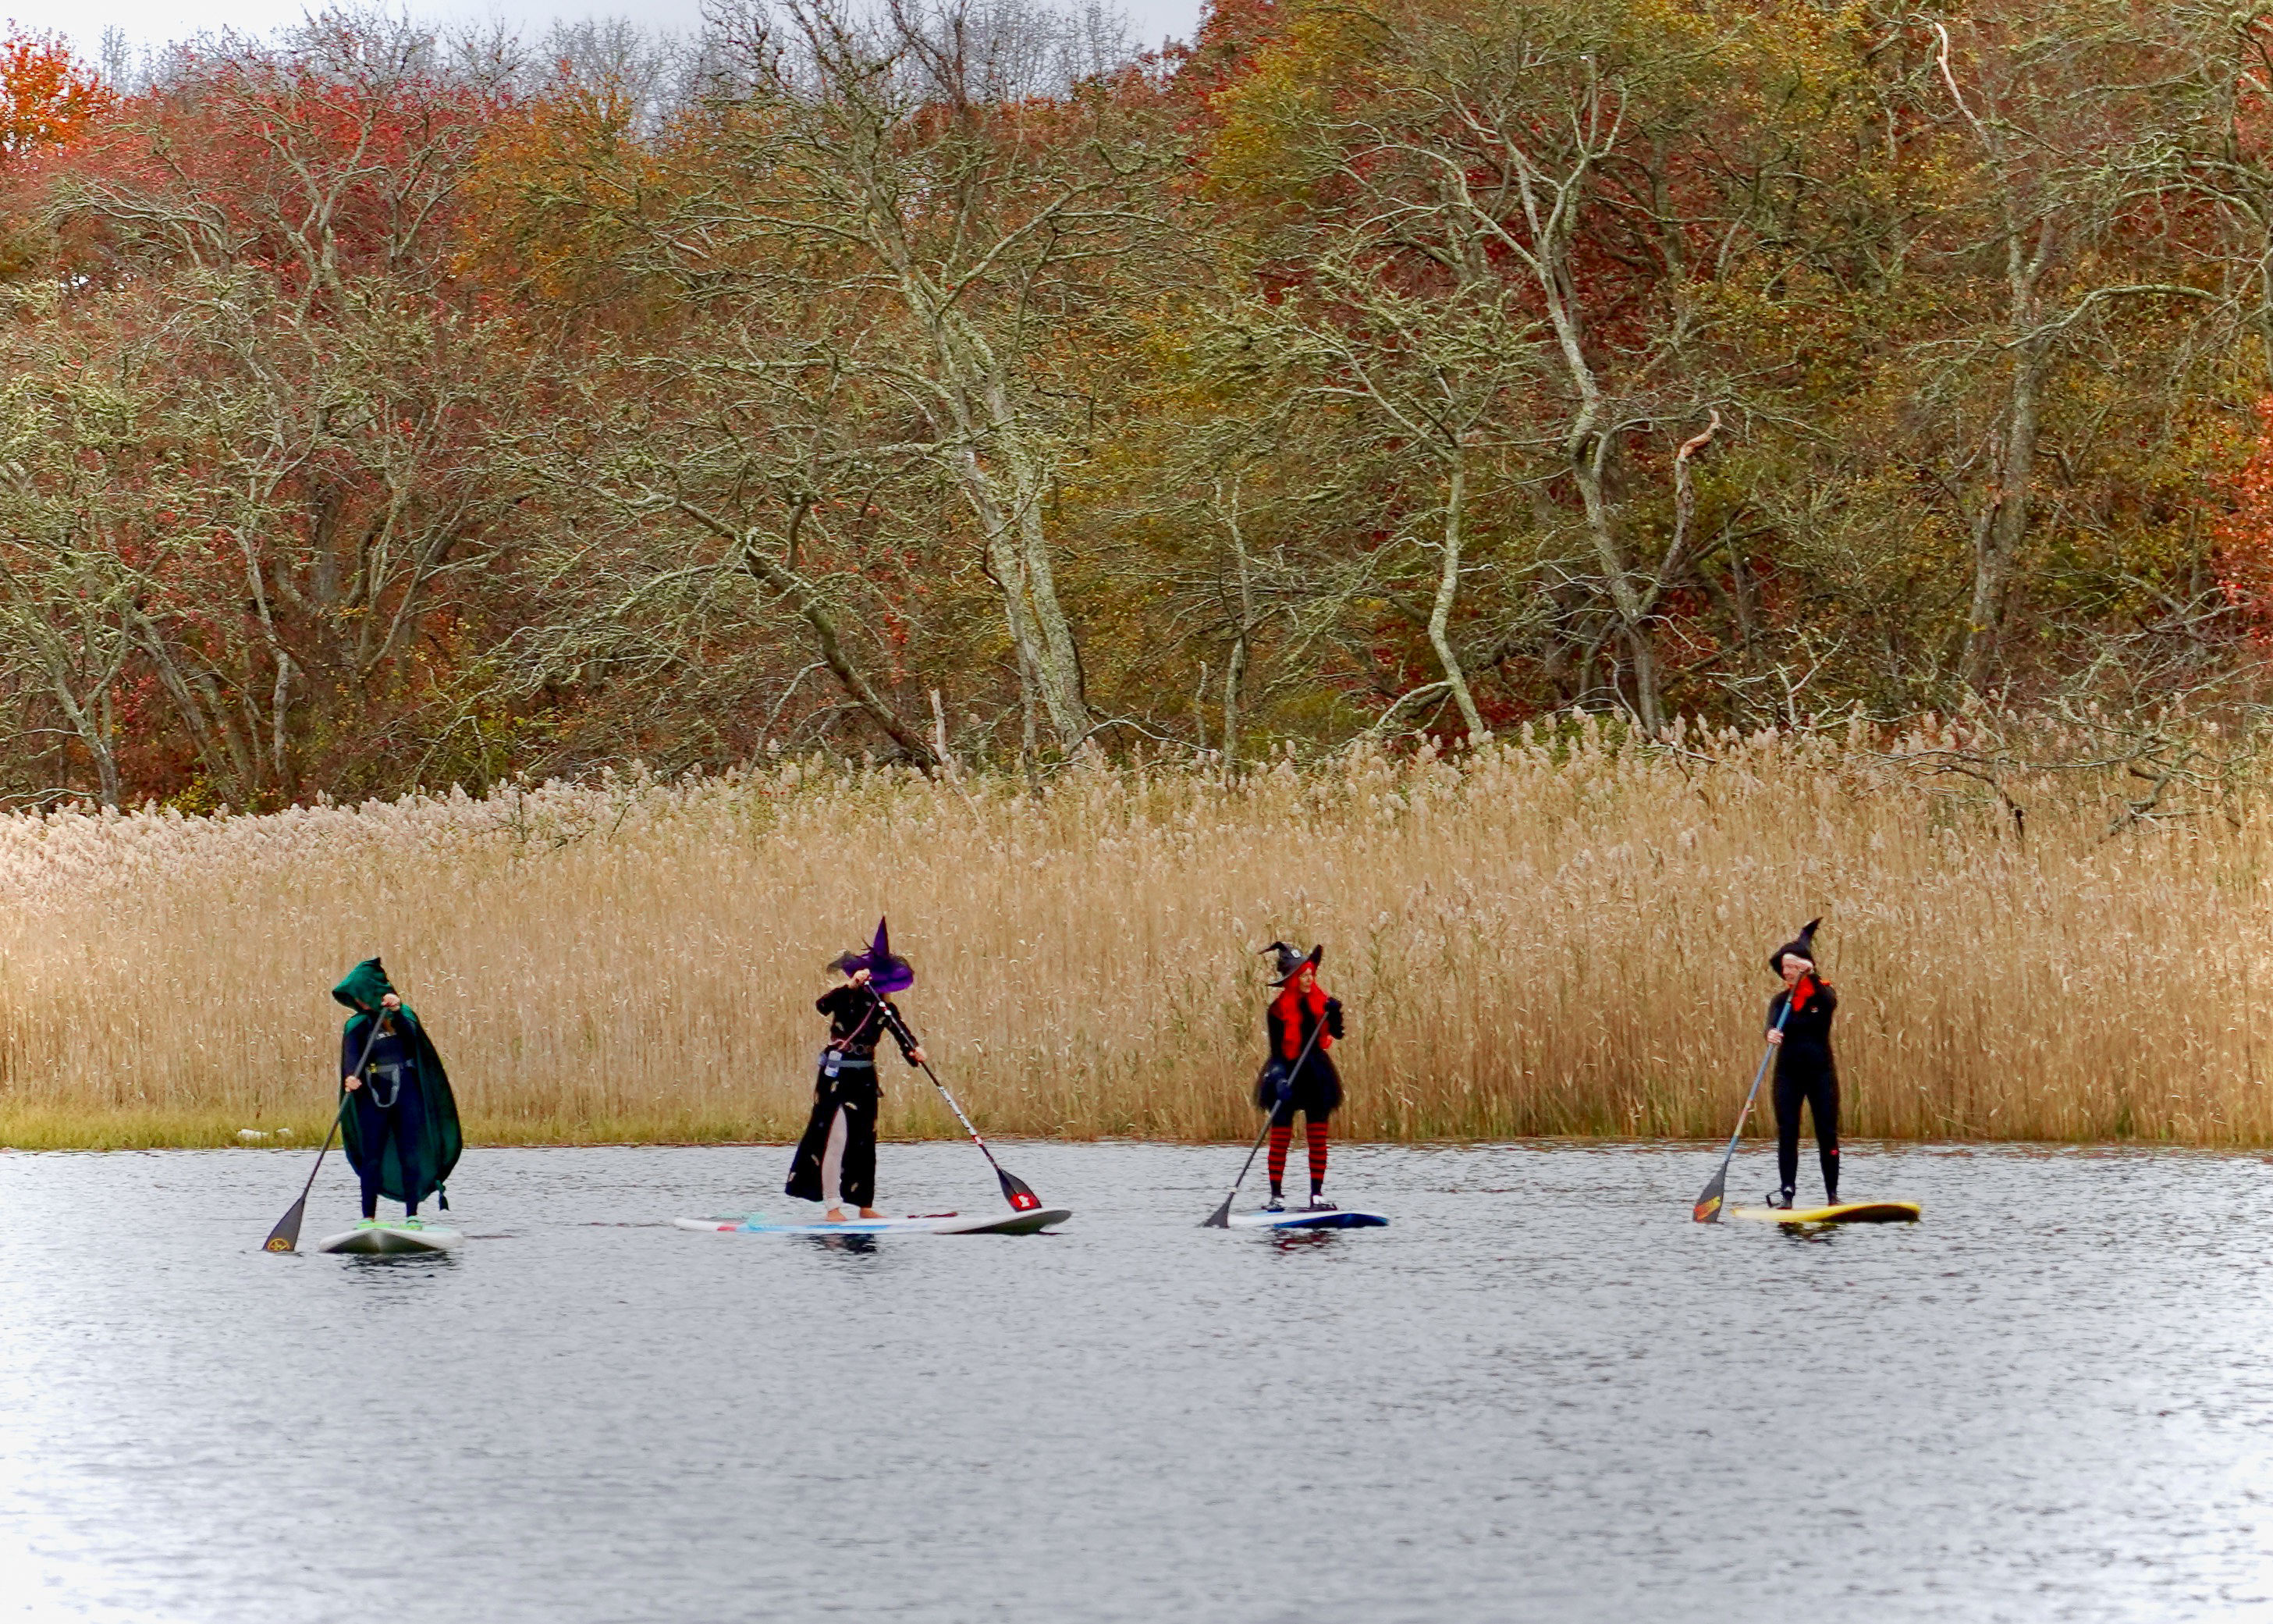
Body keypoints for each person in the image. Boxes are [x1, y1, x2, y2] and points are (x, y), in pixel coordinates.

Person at [786, 919, 925, 1224]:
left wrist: (913, 1051)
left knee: (864, 1139)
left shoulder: (884, 1007)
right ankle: (832, 1208)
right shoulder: (845, 996)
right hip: (836, 1076)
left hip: (864, 1076)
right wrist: (849, 986)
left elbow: (901, 1031)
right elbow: (822, 1005)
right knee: (834, 1138)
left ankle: (864, 1204)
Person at [334, 958, 462, 1228]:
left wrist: (399, 1009)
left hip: (408, 1095)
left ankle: (412, 1215)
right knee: (372, 1157)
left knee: (409, 1153)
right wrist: (350, 1077)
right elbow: (351, 1057)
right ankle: (368, 1218)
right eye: (355, 998)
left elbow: (412, 1039)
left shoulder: (404, 1017)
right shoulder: (356, 1025)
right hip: (371, 1096)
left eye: (362, 995)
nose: (360, 1002)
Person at [1253, 941, 1344, 1212]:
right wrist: (1279, 1080)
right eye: (1303, 975)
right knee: (1280, 1135)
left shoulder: (1320, 1003)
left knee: (1317, 1137)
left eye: (1310, 974)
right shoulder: (1276, 1012)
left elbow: (1336, 1034)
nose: (1309, 979)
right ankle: (1276, 1196)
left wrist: (1335, 1013)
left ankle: (1317, 1195)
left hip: (1316, 1074)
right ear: (1291, 979)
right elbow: (1277, 1053)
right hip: (1286, 1074)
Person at [1763, 919, 1838, 1210]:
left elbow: (1828, 1002)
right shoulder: (1780, 1002)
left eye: (1793, 966)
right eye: (1785, 967)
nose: (1787, 971)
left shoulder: (1824, 995)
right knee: (1788, 1131)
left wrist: (1813, 975)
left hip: (1821, 1074)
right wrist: (1770, 1033)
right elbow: (1770, 1026)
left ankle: (1832, 1196)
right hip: (1788, 1075)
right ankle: (1787, 1195)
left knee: (1827, 1132)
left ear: (1806, 968)